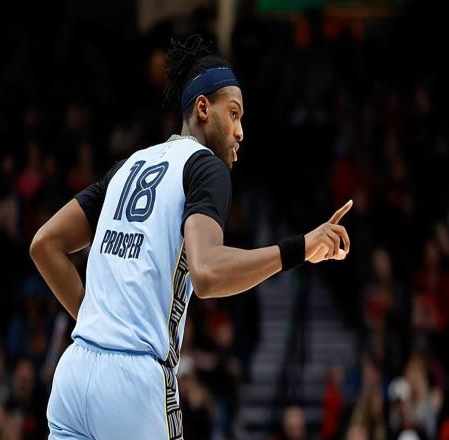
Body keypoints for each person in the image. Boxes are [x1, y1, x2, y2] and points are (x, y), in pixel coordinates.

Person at [30, 34, 352, 440]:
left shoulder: (130, 164)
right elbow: (208, 274)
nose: (240, 131)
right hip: (133, 382)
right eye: (233, 114)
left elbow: (45, 244)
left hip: (75, 372)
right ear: (203, 108)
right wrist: (300, 248)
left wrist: (98, 323)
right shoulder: (206, 167)